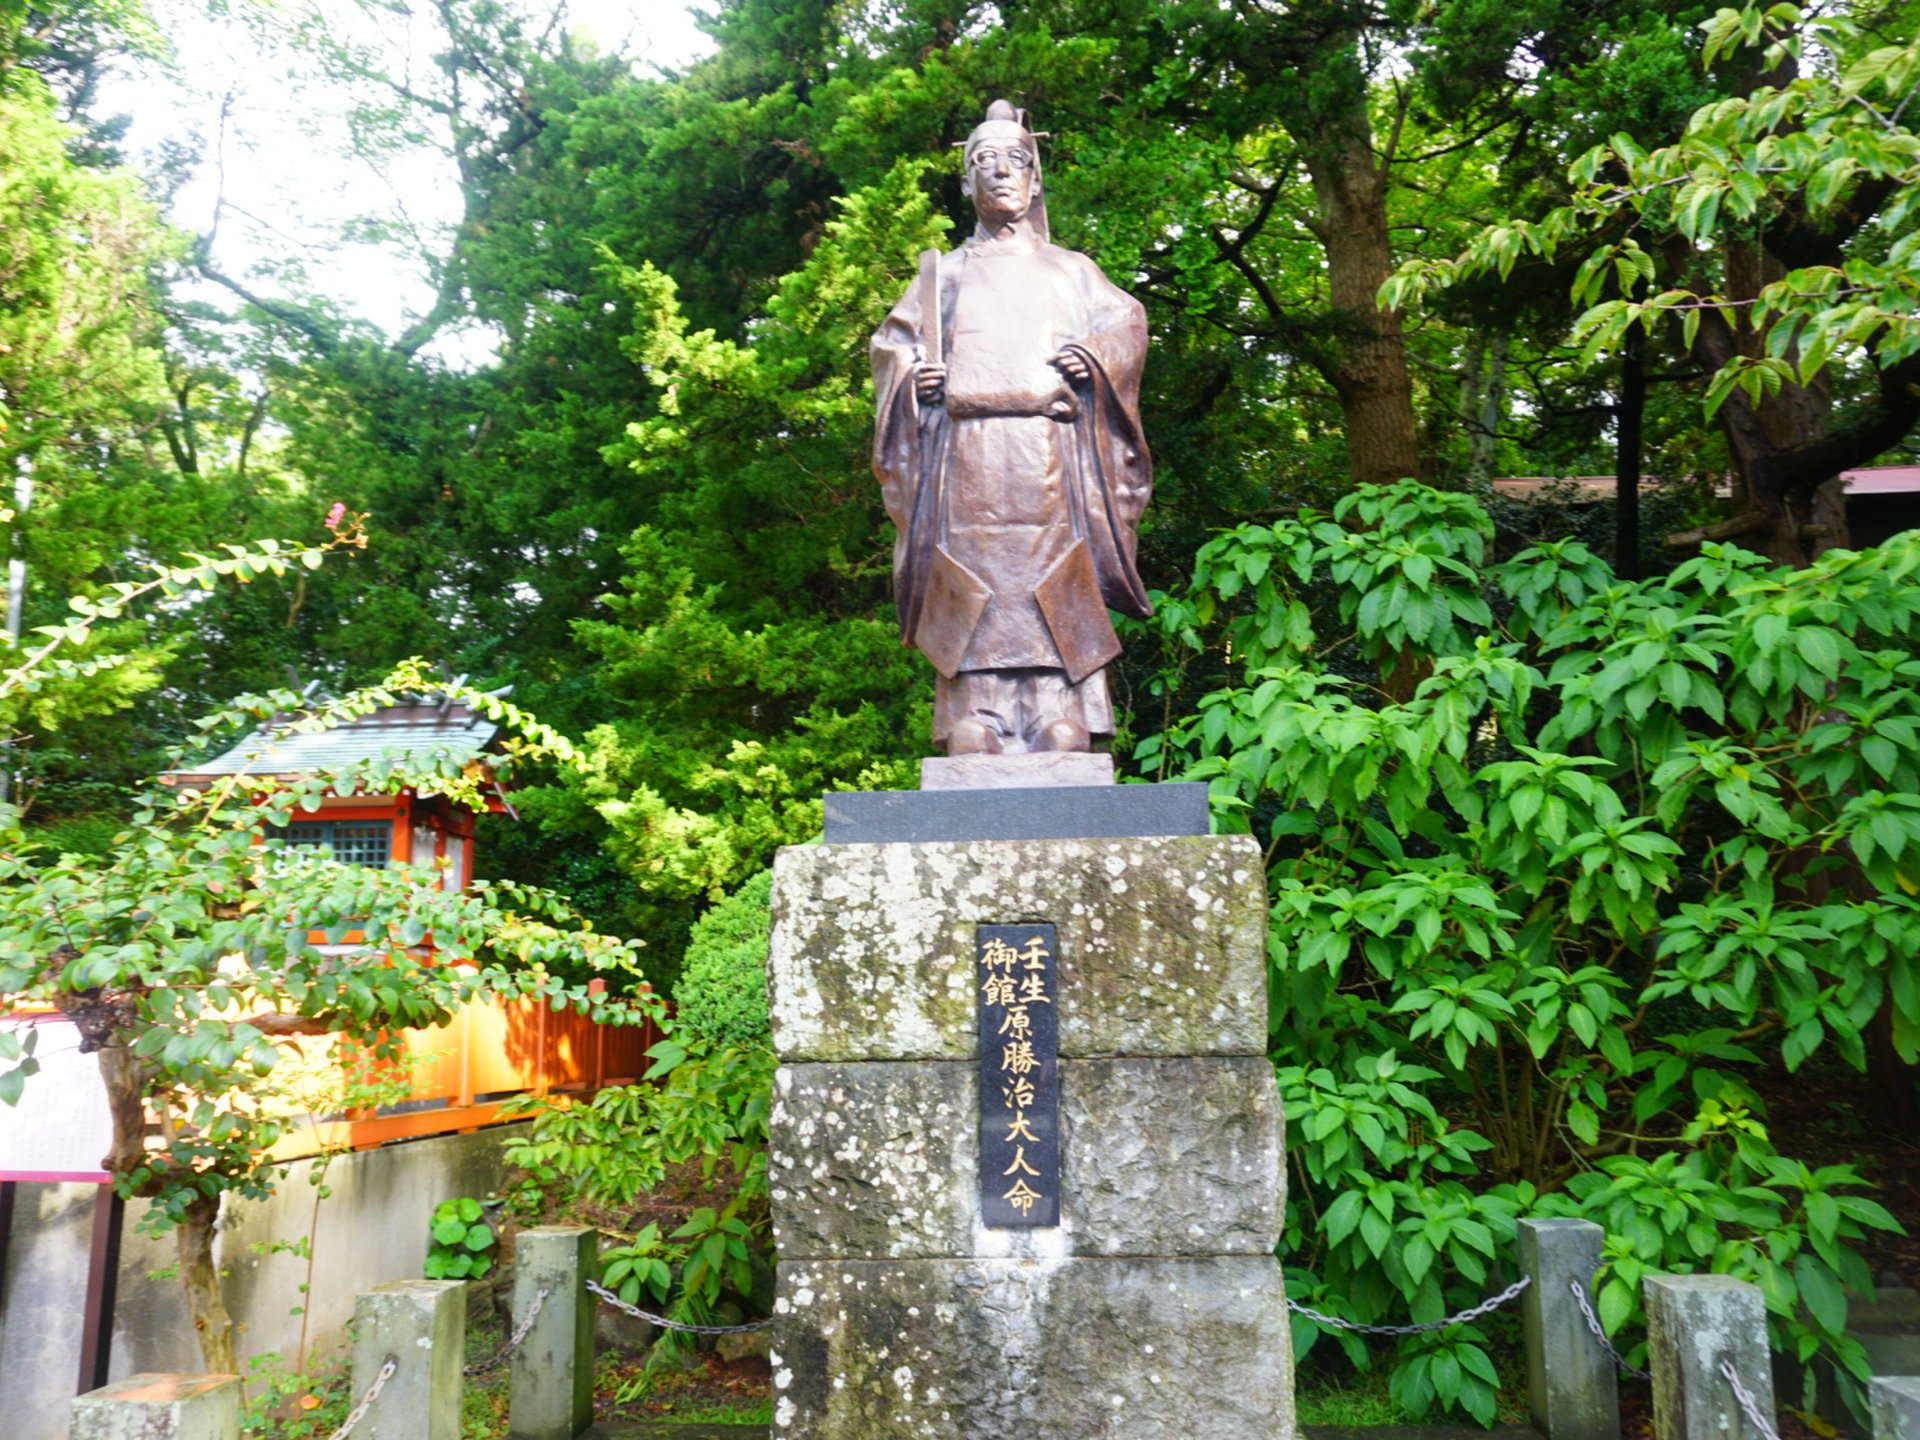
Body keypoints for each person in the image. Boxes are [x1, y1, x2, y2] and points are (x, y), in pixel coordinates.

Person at [871, 99, 1154, 757]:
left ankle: (1061, 715)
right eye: (985, 163)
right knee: (973, 576)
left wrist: (1096, 359)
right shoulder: (945, 274)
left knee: (1054, 573)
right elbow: (894, 344)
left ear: (1034, 177)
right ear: (966, 182)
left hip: (1046, 450)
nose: (1001, 173)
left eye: (1016, 160)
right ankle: (979, 717)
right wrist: (916, 379)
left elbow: (1126, 326)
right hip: (966, 453)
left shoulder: (1073, 271)